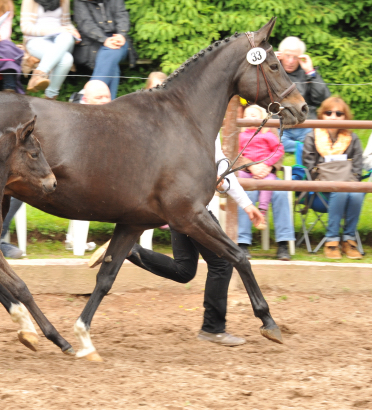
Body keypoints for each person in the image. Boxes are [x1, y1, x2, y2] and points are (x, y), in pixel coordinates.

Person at [91, 136, 265, 345]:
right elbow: (217, 166)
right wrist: (245, 203)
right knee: (222, 263)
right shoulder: (202, 125)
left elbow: (219, 168)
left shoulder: (187, 122)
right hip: (194, 211)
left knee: (184, 270)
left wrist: (244, 203)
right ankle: (213, 328)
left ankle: (127, 249)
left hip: (176, 208)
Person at [302, 97, 364, 260]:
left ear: (345, 117)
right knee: (340, 191)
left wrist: (348, 181)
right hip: (319, 192)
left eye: (339, 113)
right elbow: (309, 167)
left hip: (348, 185)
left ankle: (349, 240)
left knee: (357, 193)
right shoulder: (311, 136)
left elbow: (358, 169)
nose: (333, 116)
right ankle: (332, 241)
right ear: (322, 115)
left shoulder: (353, 138)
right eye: (329, 113)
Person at [20, 0, 81, 99]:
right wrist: (55, 30)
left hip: (61, 40)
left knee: (67, 36)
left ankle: (39, 74)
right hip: (36, 40)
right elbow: (25, 27)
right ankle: (50, 97)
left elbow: (66, 23)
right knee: (66, 59)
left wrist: (73, 30)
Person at [275, 36, 330, 152]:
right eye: (287, 56)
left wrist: (310, 72)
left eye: (295, 57)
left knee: (318, 139)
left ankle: (295, 146)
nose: (290, 61)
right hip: (279, 125)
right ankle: (301, 146)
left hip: (304, 125)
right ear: (280, 55)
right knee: (273, 139)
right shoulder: (271, 70)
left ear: (301, 57)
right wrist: (267, 66)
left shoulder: (306, 72)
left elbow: (323, 99)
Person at [73, 0, 129, 99]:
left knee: (112, 51)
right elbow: (86, 24)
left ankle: (87, 97)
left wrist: (121, 34)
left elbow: (122, 16)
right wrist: (104, 39)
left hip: (116, 40)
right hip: (92, 42)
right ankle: (108, 106)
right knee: (112, 64)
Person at [237, 105, 284, 228]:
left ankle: (262, 211)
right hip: (246, 171)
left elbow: (279, 150)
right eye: (246, 116)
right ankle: (228, 198)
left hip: (265, 170)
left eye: (253, 116)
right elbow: (236, 154)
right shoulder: (241, 135)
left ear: (262, 119)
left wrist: (267, 165)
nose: (249, 119)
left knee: (269, 183)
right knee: (238, 178)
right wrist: (250, 166)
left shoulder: (267, 134)